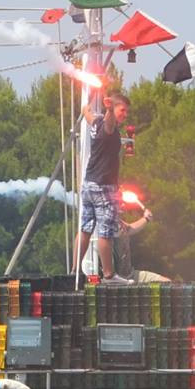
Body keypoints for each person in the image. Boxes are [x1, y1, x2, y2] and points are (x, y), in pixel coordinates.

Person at [75, 89, 133, 284]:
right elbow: (109, 122)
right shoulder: (108, 125)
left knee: (85, 229)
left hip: (89, 184)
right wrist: (108, 110)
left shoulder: (96, 123)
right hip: (103, 187)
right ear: (112, 108)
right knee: (105, 231)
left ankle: (74, 271)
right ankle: (109, 274)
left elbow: (87, 113)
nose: (125, 115)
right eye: (122, 110)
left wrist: (88, 100)